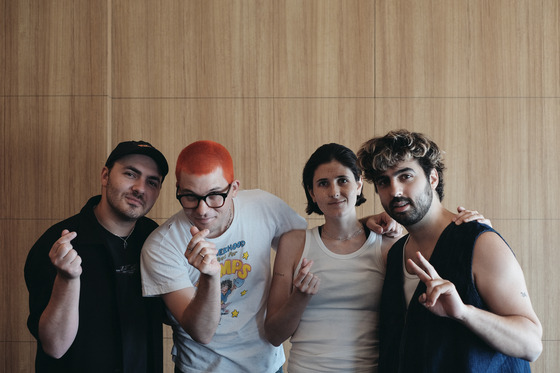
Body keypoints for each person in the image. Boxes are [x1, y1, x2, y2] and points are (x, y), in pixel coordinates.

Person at [140, 140, 398, 373]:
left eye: (215, 195)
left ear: (234, 189)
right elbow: (202, 332)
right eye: (190, 197)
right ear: (178, 189)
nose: (203, 209)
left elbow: (317, 238)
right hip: (201, 368)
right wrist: (210, 276)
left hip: (267, 366)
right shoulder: (162, 246)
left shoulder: (263, 207)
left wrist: (360, 226)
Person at [264, 143, 490, 373]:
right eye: (323, 184)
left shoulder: (388, 245)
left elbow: (433, 258)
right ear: (312, 193)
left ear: (359, 185)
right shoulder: (293, 243)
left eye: (343, 180)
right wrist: (299, 298)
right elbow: (274, 335)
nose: (334, 191)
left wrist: (470, 229)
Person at [357, 129, 543, 372]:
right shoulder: (395, 253)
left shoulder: (479, 241)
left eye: (406, 176)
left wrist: (465, 313)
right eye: (384, 182)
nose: (395, 191)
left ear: (432, 178)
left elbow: (531, 344)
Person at [24, 140, 169, 373]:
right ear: (105, 175)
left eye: (152, 182)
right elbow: (54, 346)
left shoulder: (158, 240)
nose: (140, 188)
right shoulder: (59, 245)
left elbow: (172, 316)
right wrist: (67, 279)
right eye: (131, 174)